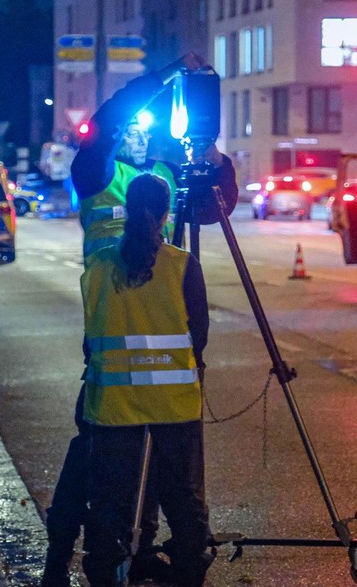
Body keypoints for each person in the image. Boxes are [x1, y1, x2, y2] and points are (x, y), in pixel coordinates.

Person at [42, 54, 237, 587]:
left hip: (140, 343)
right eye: (131, 128)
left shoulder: (164, 178)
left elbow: (218, 206)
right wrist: (160, 80)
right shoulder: (99, 174)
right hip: (112, 333)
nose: (136, 134)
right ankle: (63, 555)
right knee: (93, 463)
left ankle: (136, 550)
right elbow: (104, 127)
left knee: (111, 466)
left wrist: (211, 151)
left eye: (142, 129)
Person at [80, 174, 213, 587]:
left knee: (110, 498)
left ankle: (108, 571)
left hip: (113, 407)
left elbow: (90, 336)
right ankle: (188, 571)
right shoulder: (183, 265)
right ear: (166, 212)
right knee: (182, 496)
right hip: (174, 405)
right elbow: (199, 336)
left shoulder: (98, 265)